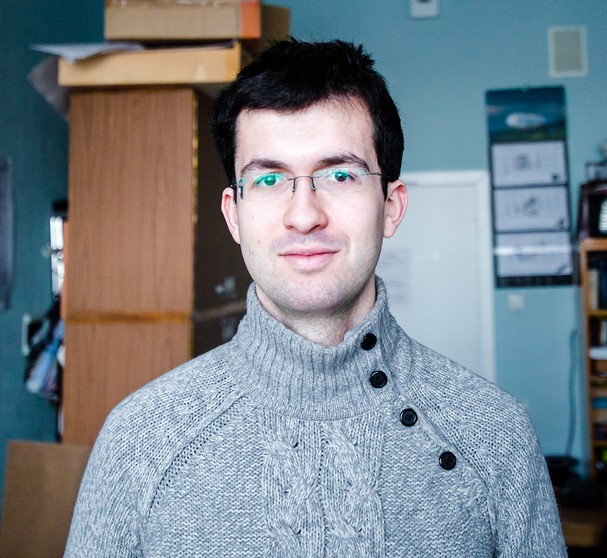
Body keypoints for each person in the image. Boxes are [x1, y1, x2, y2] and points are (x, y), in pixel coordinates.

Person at [66, 38, 567, 557]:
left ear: (391, 206)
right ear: (234, 215)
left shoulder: (496, 436)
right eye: (268, 179)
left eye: (340, 174)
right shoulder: (141, 440)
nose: (304, 215)